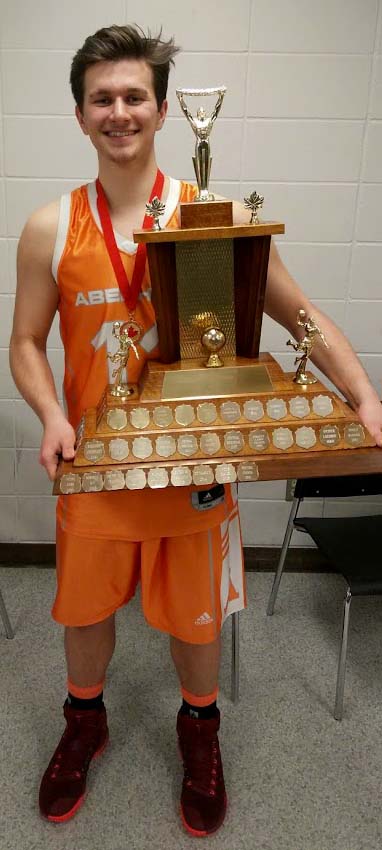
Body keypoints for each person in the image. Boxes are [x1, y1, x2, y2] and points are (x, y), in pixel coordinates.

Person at [9, 23, 382, 838]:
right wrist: (50, 414)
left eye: (133, 96)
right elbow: (25, 345)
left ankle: (200, 732)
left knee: (197, 616)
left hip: (198, 463)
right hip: (101, 465)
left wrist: (363, 395)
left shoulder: (211, 214)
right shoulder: (49, 228)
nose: (119, 111)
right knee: (83, 612)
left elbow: (300, 314)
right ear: (79, 116)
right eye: (101, 98)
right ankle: (85, 721)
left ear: (164, 108)